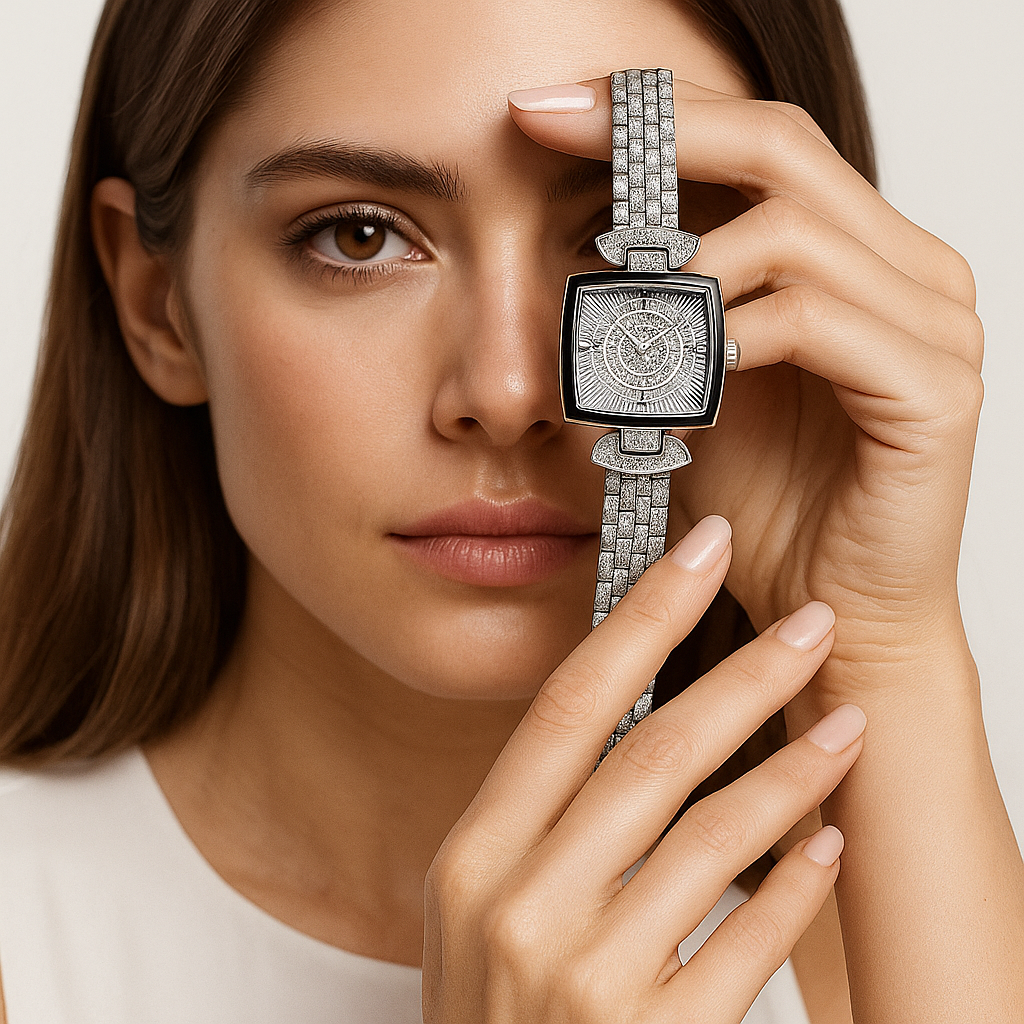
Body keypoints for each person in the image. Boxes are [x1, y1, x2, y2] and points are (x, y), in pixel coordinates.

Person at [0, 0, 1021, 1020]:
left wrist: (888, 652)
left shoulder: (892, 938)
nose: (508, 390)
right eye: (358, 236)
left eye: (634, 238)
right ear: (153, 302)